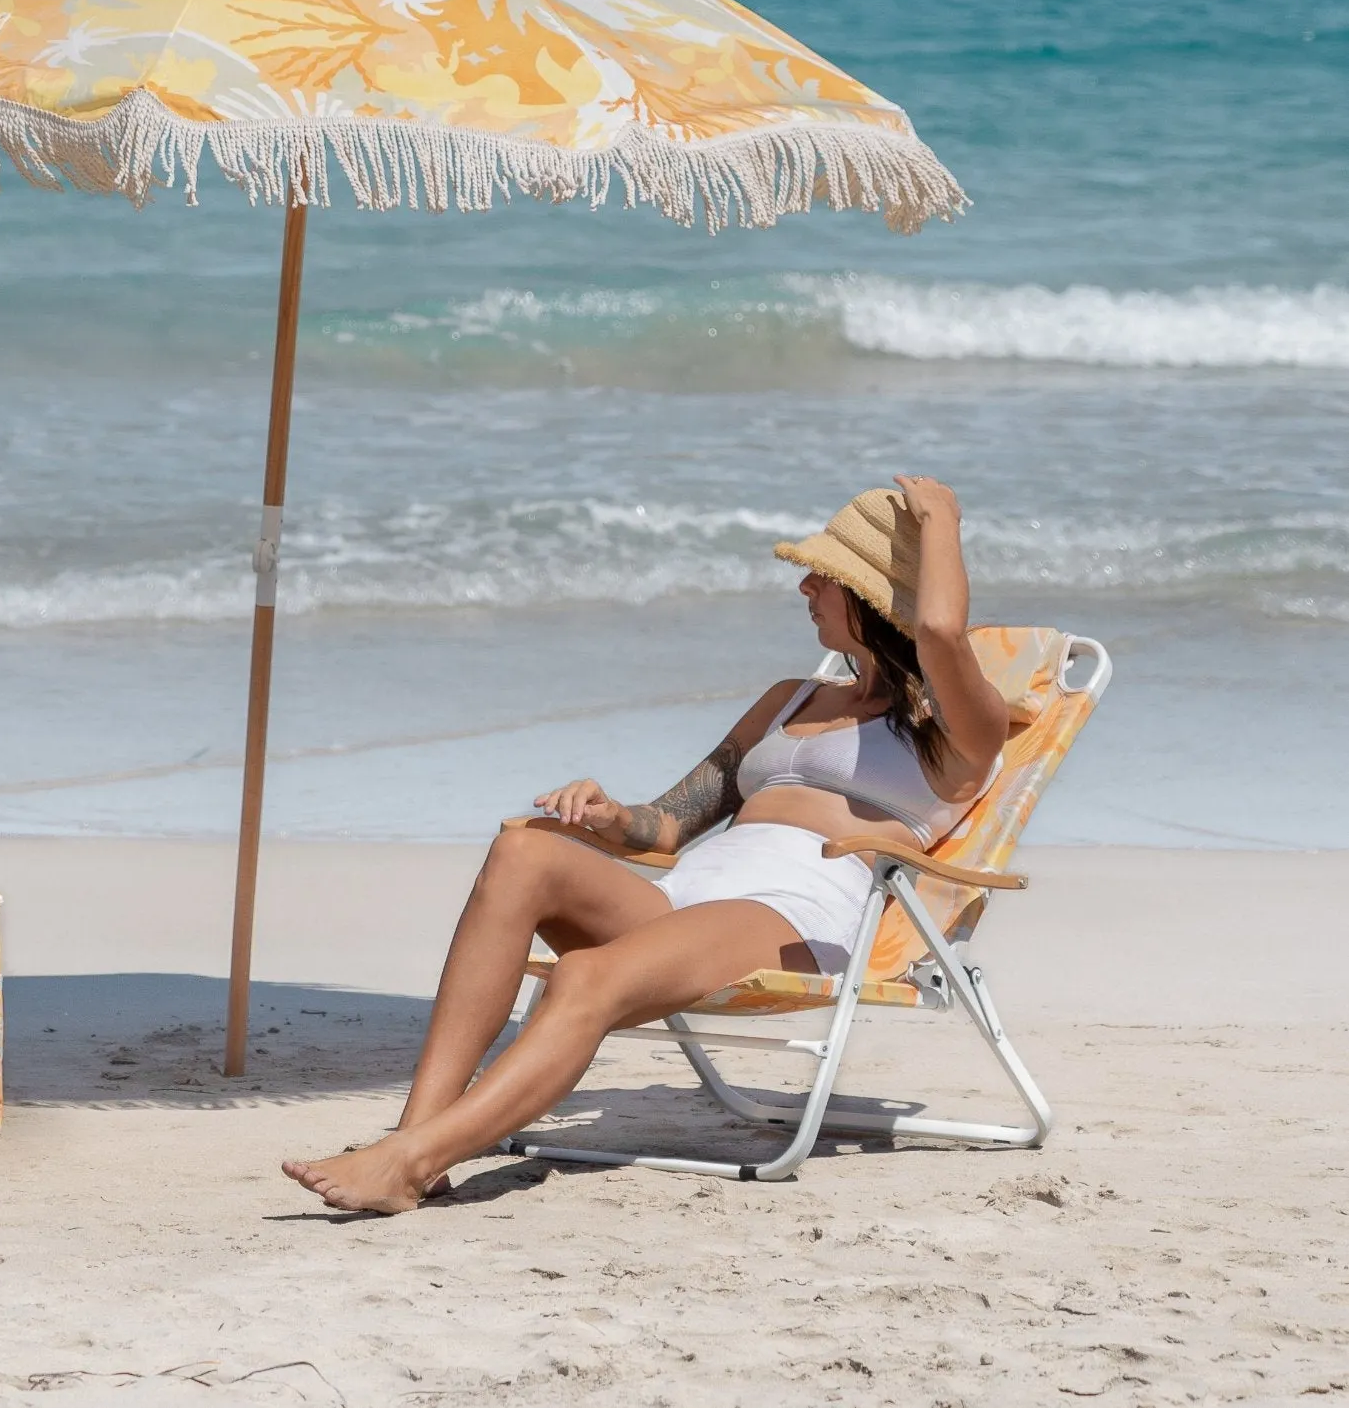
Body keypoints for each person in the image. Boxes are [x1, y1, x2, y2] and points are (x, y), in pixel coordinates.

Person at [283, 475, 1010, 1214]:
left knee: (584, 977)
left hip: (788, 917)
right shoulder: (790, 697)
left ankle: (410, 1162)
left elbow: (943, 634)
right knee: (522, 850)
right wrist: (607, 816)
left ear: (875, 593)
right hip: (681, 900)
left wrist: (940, 518)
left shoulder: (956, 728)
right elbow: (669, 822)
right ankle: (413, 1139)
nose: (803, 586)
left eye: (824, 574)